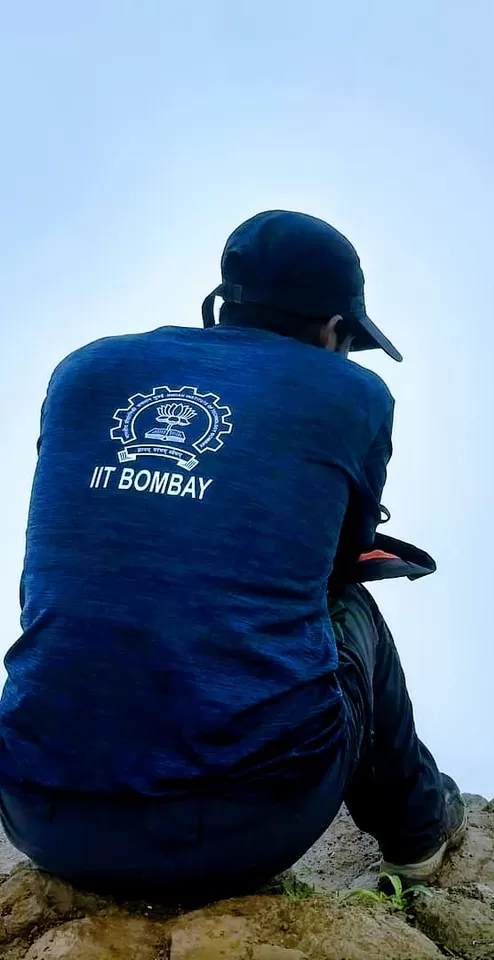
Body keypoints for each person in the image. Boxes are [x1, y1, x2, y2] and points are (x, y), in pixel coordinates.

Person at [0, 210, 466, 902]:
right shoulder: (353, 392)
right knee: (352, 610)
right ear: (336, 329)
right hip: (241, 828)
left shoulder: (85, 370)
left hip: (36, 812)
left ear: (222, 303)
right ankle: (419, 836)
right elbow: (339, 563)